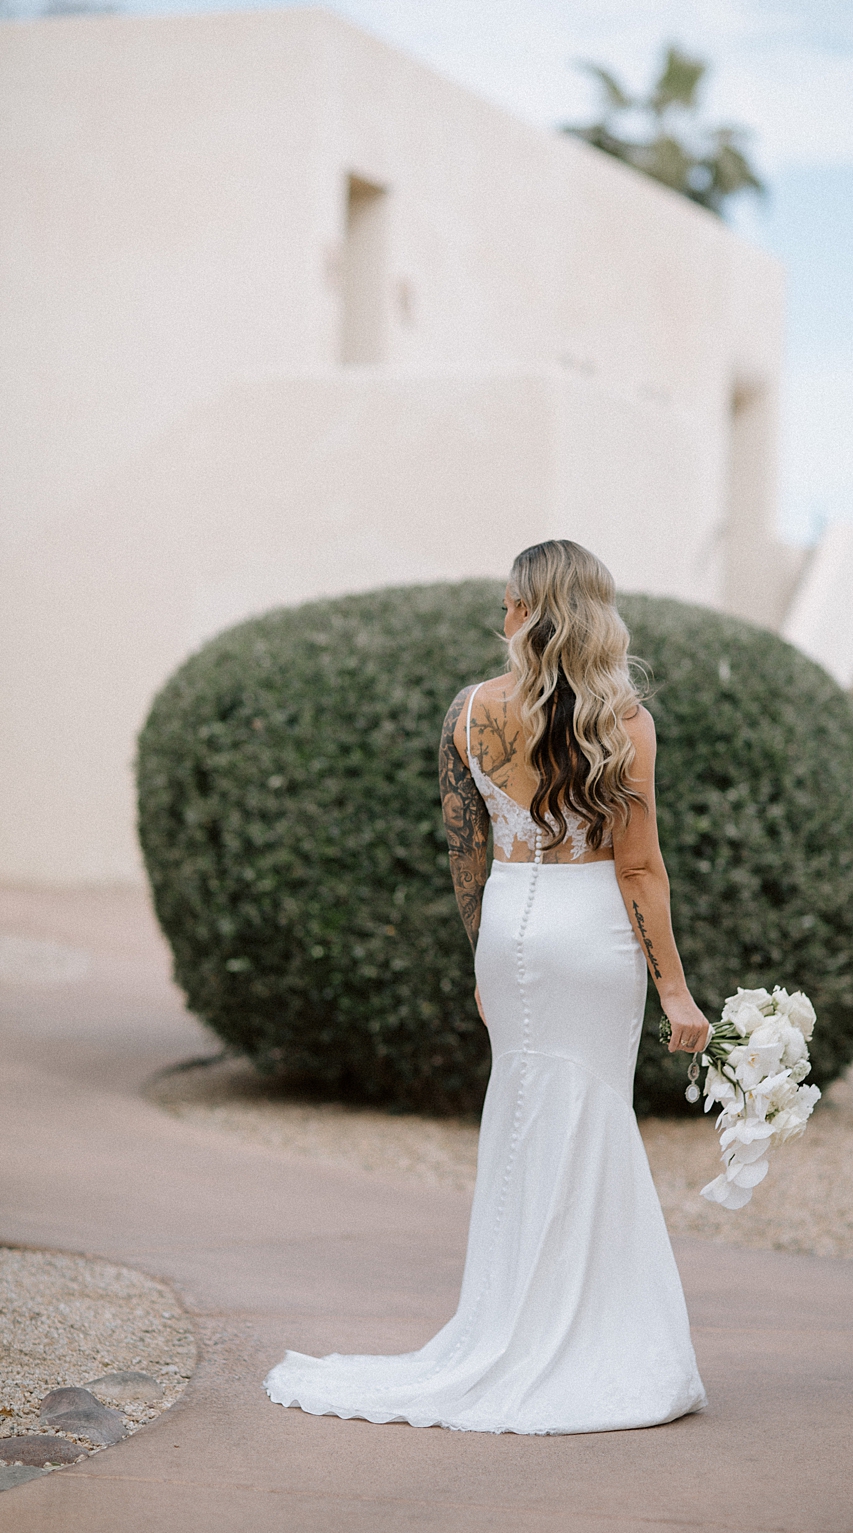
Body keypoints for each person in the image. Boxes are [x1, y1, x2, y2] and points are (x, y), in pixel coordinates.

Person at [265, 540, 714, 1434]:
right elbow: (642, 870)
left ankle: (507, 1324)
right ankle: (584, 1338)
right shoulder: (623, 719)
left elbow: (464, 849)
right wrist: (676, 991)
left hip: (511, 926)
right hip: (591, 933)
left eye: (508, 603)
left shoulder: (470, 714)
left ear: (531, 613)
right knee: (589, 1118)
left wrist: (486, 956)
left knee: (520, 1114)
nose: (499, 616)